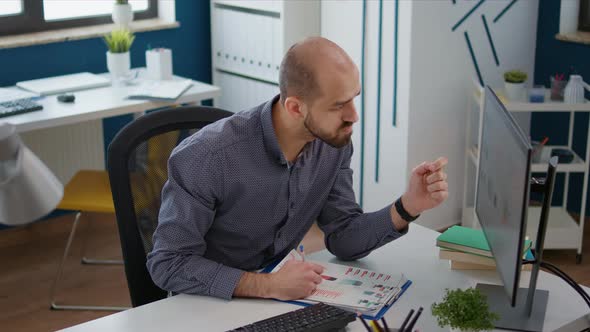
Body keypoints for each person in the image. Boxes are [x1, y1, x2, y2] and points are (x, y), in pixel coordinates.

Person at [147, 37, 448, 301]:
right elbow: (170, 263)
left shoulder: (332, 144)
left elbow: (343, 237)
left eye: (354, 99)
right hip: (205, 304)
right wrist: (267, 285)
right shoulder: (207, 157)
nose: (353, 116)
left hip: (280, 299)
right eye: (338, 105)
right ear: (295, 107)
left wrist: (407, 206)